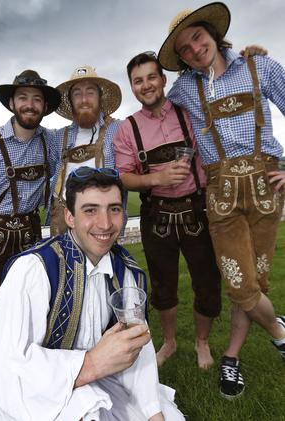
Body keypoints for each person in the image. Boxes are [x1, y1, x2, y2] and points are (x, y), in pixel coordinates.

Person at [0, 167, 185, 421]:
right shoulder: (33, 270)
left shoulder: (126, 273)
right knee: (86, 410)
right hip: (36, 395)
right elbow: (5, 368)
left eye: (114, 209)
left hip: (103, 383)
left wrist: (152, 412)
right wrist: (90, 364)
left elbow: (138, 348)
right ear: (70, 217)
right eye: (90, 210)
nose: (105, 224)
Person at [158, 1, 285, 399]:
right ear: (180, 59)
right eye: (184, 49)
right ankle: (281, 333)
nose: (195, 49)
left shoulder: (259, 66)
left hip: (266, 187)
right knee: (240, 284)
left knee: (258, 280)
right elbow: (152, 104)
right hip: (221, 192)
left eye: (197, 37)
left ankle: (230, 358)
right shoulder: (182, 89)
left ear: (212, 33)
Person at [114, 52, 222, 370]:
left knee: (207, 282)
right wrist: (158, 178)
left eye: (151, 77)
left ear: (162, 80)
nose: (146, 85)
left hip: (195, 209)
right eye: (138, 81)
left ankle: (201, 342)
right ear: (133, 87)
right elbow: (123, 176)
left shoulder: (189, 114)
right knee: (162, 285)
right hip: (156, 214)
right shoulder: (127, 129)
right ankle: (170, 341)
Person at [0, 70, 61, 402]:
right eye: (23, 97)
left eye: (37, 99)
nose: (30, 104)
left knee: (30, 302)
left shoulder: (51, 140)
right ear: (12, 102)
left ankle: (21, 364)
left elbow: (83, 138)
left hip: (31, 233)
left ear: (45, 106)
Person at [49, 66, 122, 236]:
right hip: (63, 223)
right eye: (77, 94)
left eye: (90, 92)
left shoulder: (119, 129)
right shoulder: (59, 137)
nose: (84, 100)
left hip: (102, 222)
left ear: (100, 98)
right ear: (71, 101)